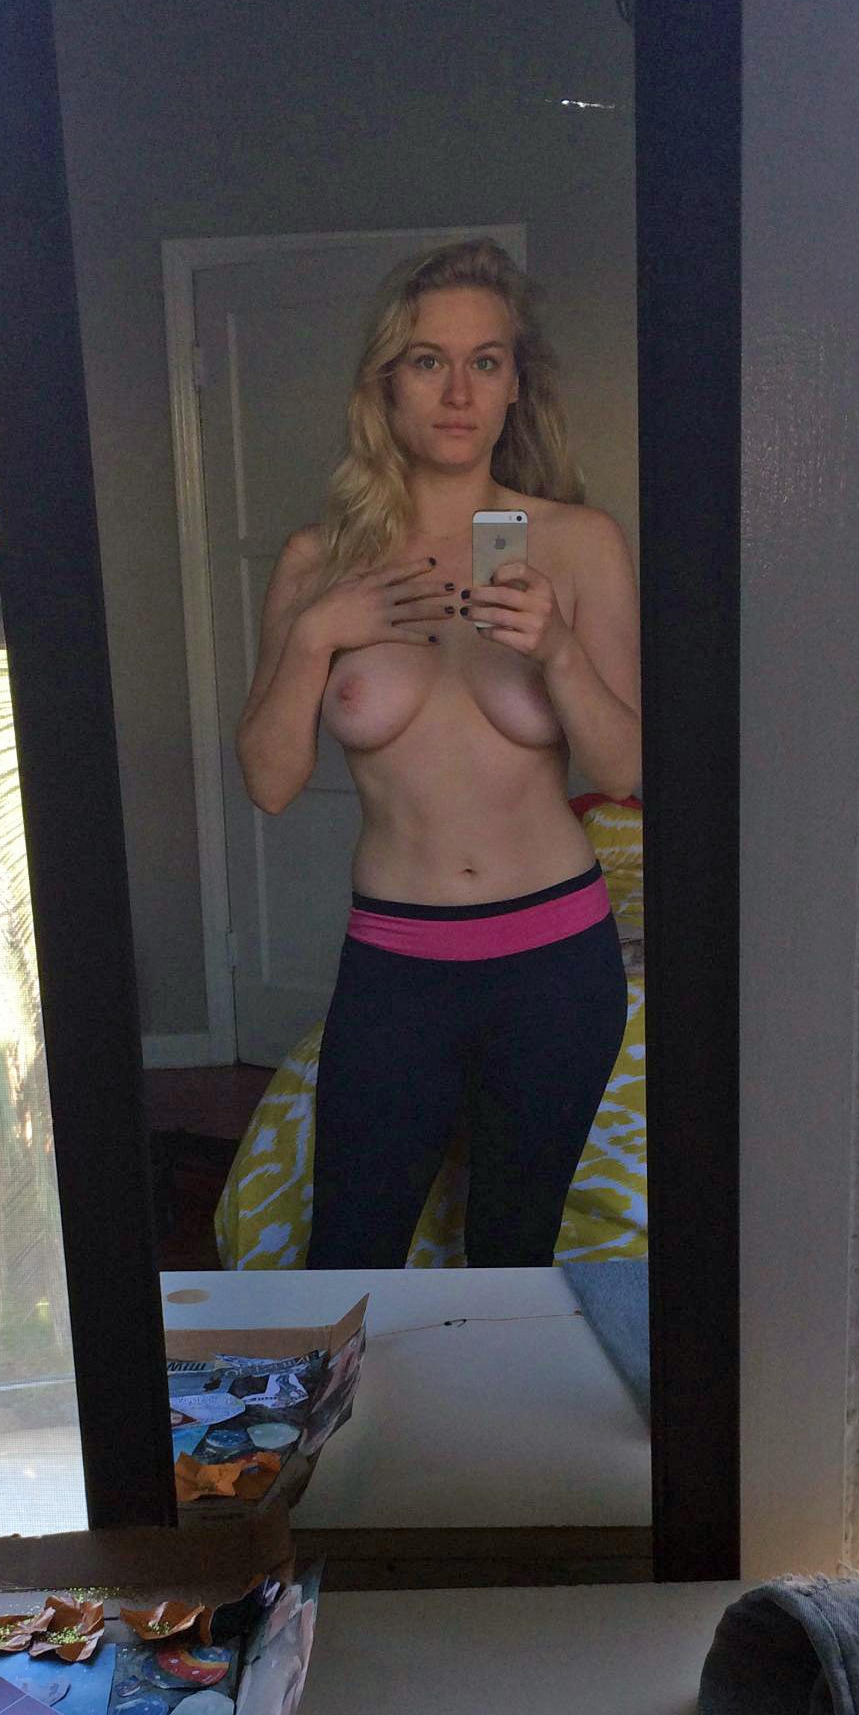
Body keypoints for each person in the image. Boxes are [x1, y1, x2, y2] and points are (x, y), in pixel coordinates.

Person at [237, 237, 640, 1268]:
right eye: (428, 361)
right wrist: (318, 636)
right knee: (349, 1255)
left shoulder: (577, 543)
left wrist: (558, 652)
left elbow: (625, 771)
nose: (458, 393)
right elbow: (270, 783)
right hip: (397, 964)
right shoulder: (321, 562)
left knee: (514, 1256)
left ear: (515, 386)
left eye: (485, 362)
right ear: (386, 383)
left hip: (556, 964)